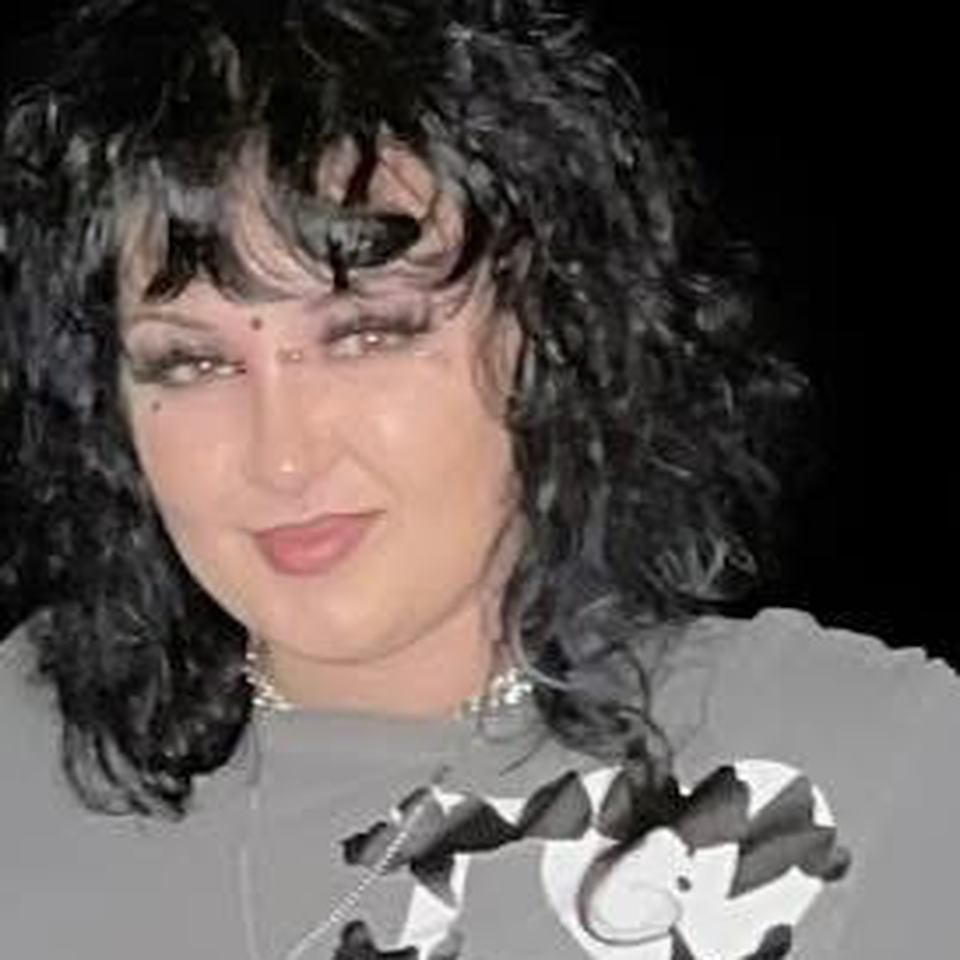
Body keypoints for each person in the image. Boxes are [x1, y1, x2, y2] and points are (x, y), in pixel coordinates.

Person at [1, 1, 957, 957]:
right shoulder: (23, 757)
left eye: (368, 335)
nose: (282, 456)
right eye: (192, 363)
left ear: (552, 334)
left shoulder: (865, 765)